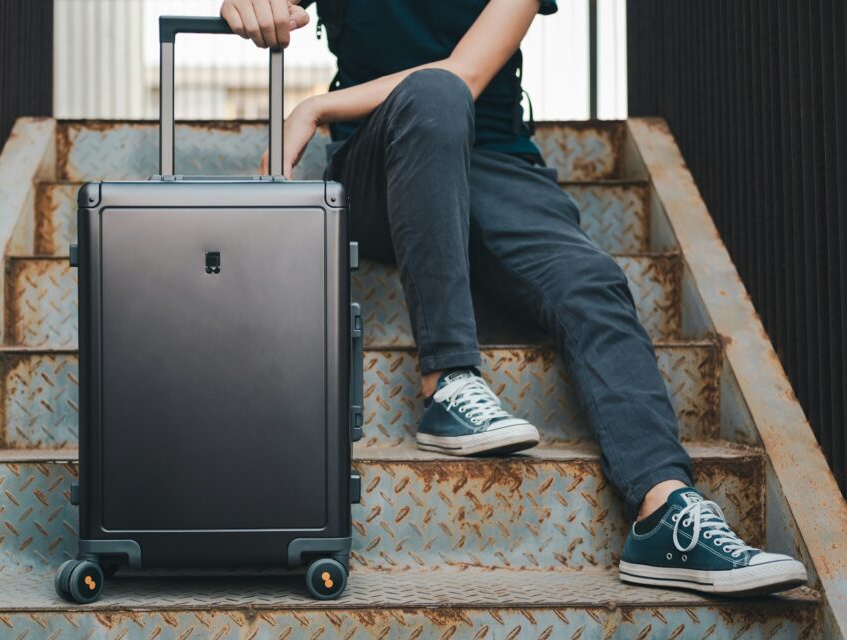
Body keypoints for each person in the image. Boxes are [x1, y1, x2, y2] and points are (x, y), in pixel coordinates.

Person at [218, 0, 807, 596]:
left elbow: (463, 74)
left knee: (590, 282)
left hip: (495, 163)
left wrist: (317, 105)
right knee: (430, 99)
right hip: (381, 163)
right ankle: (447, 381)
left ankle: (664, 511)